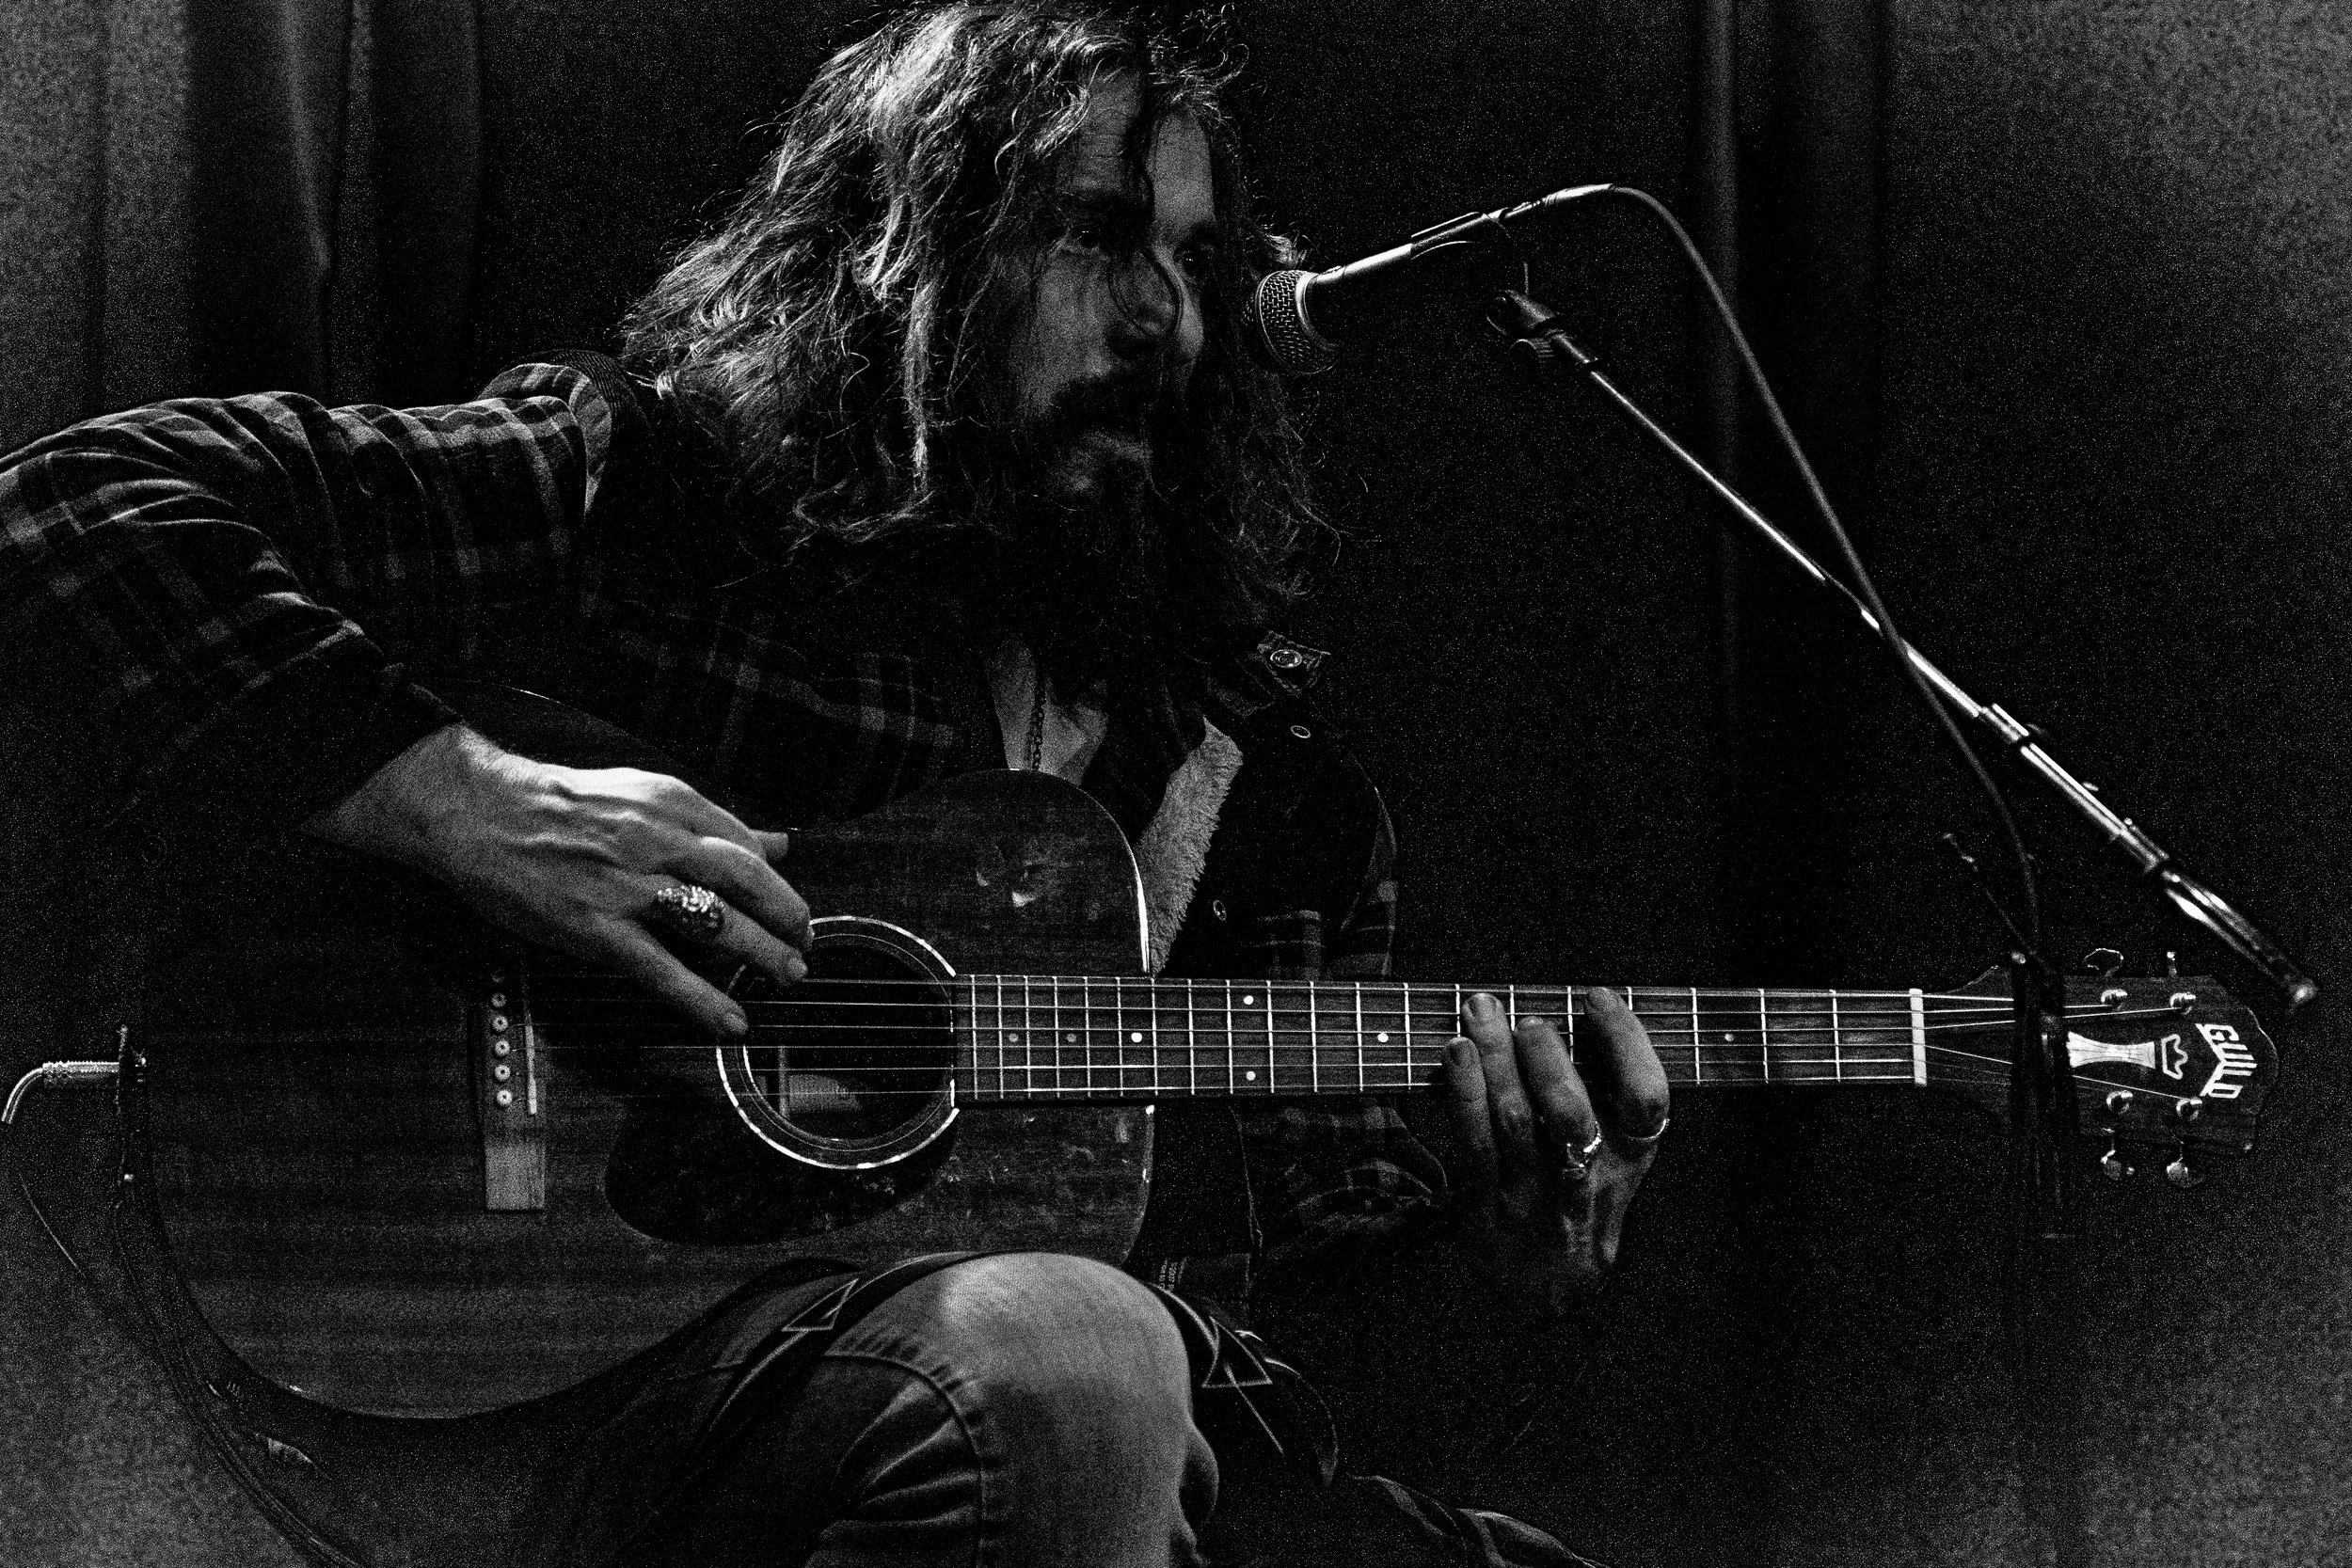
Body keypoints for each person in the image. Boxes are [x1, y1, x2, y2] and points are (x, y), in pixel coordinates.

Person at [0, 4, 1670, 1563]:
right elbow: (70, 515)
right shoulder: (655, 518)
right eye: (1095, 237)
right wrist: (482, 803)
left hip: (1010, 1443)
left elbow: (1276, 1397)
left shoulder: (1283, 816)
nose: (1169, 318)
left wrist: (1508, 1257)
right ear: (902, 258)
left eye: (1194, 258)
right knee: (1066, 1360)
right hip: (531, 1393)